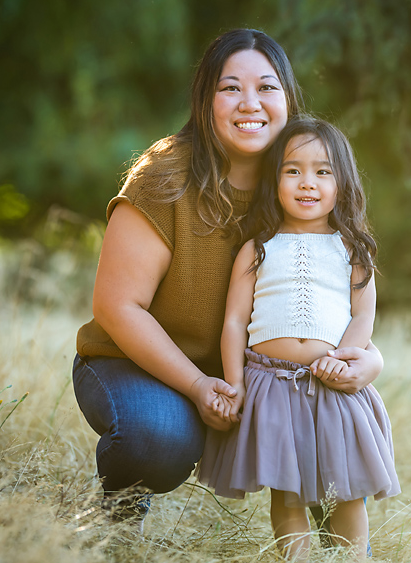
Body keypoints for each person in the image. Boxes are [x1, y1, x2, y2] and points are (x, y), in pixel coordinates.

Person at [72, 29, 385, 522]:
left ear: (287, 100)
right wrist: (198, 386)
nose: (249, 103)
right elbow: (115, 307)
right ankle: (112, 521)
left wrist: (369, 359)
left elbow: (332, 292)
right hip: (134, 363)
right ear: (205, 100)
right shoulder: (165, 177)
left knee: (331, 434)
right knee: (160, 437)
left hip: (253, 374)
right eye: (230, 88)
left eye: (266, 87)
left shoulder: (296, 181)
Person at [195, 116, 400, 561]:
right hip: (270, 386)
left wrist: (347, 360)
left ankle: (353, 558)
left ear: (342, 184)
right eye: (293, 170)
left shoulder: (352, 249)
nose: (308, 183)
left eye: (323, 172)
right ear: (275, 180)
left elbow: (364, 314)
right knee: (286, 495)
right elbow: (234, 322)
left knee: (344, 491)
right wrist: (236, 382)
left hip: (333, 386)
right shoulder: (259, 247)